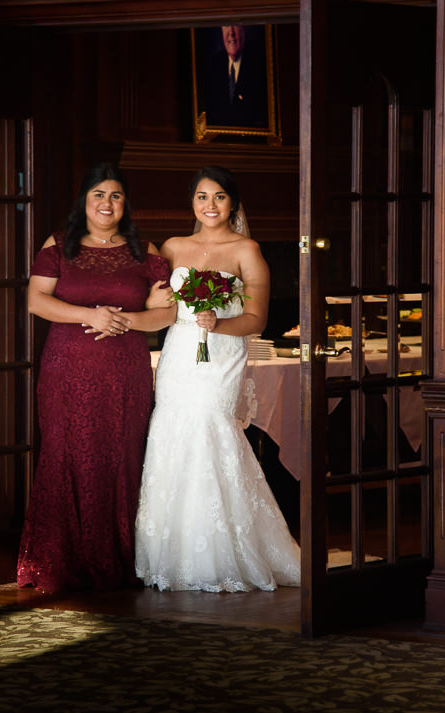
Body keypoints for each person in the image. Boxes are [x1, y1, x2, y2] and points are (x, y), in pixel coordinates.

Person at [135, 166, 301, 592]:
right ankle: (172, 554)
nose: (211, 205)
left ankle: (223, 552)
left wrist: (218, 324)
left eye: (220, 197)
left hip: (221, 354)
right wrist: (149, 302)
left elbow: (257, 319)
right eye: (202, 197)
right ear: (192, 202)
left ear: (233, 203)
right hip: (178, 355)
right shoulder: (173, 246)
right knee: (172, 431)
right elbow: (157, 301)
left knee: (211, 430)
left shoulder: (247, 249)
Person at [17, 163, 173, 593]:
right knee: (66, 454)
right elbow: (36, 302)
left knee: (121, 455)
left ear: (126, 204)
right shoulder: (59, 244)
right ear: (84, 201)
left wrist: (126, 322)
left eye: (116, 196)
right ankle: (56, 561)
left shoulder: (145, 250)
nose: (107, 203)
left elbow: (168, 312)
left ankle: (120, 559)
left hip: (125, 370)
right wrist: (93, 315)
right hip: (67, 368)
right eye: (99, 195)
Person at [201, 25, 269, 129]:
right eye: (226, 26)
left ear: (244, 29)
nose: (231, 33)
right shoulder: (215, 63)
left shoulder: (260, 64)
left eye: (235, 25)